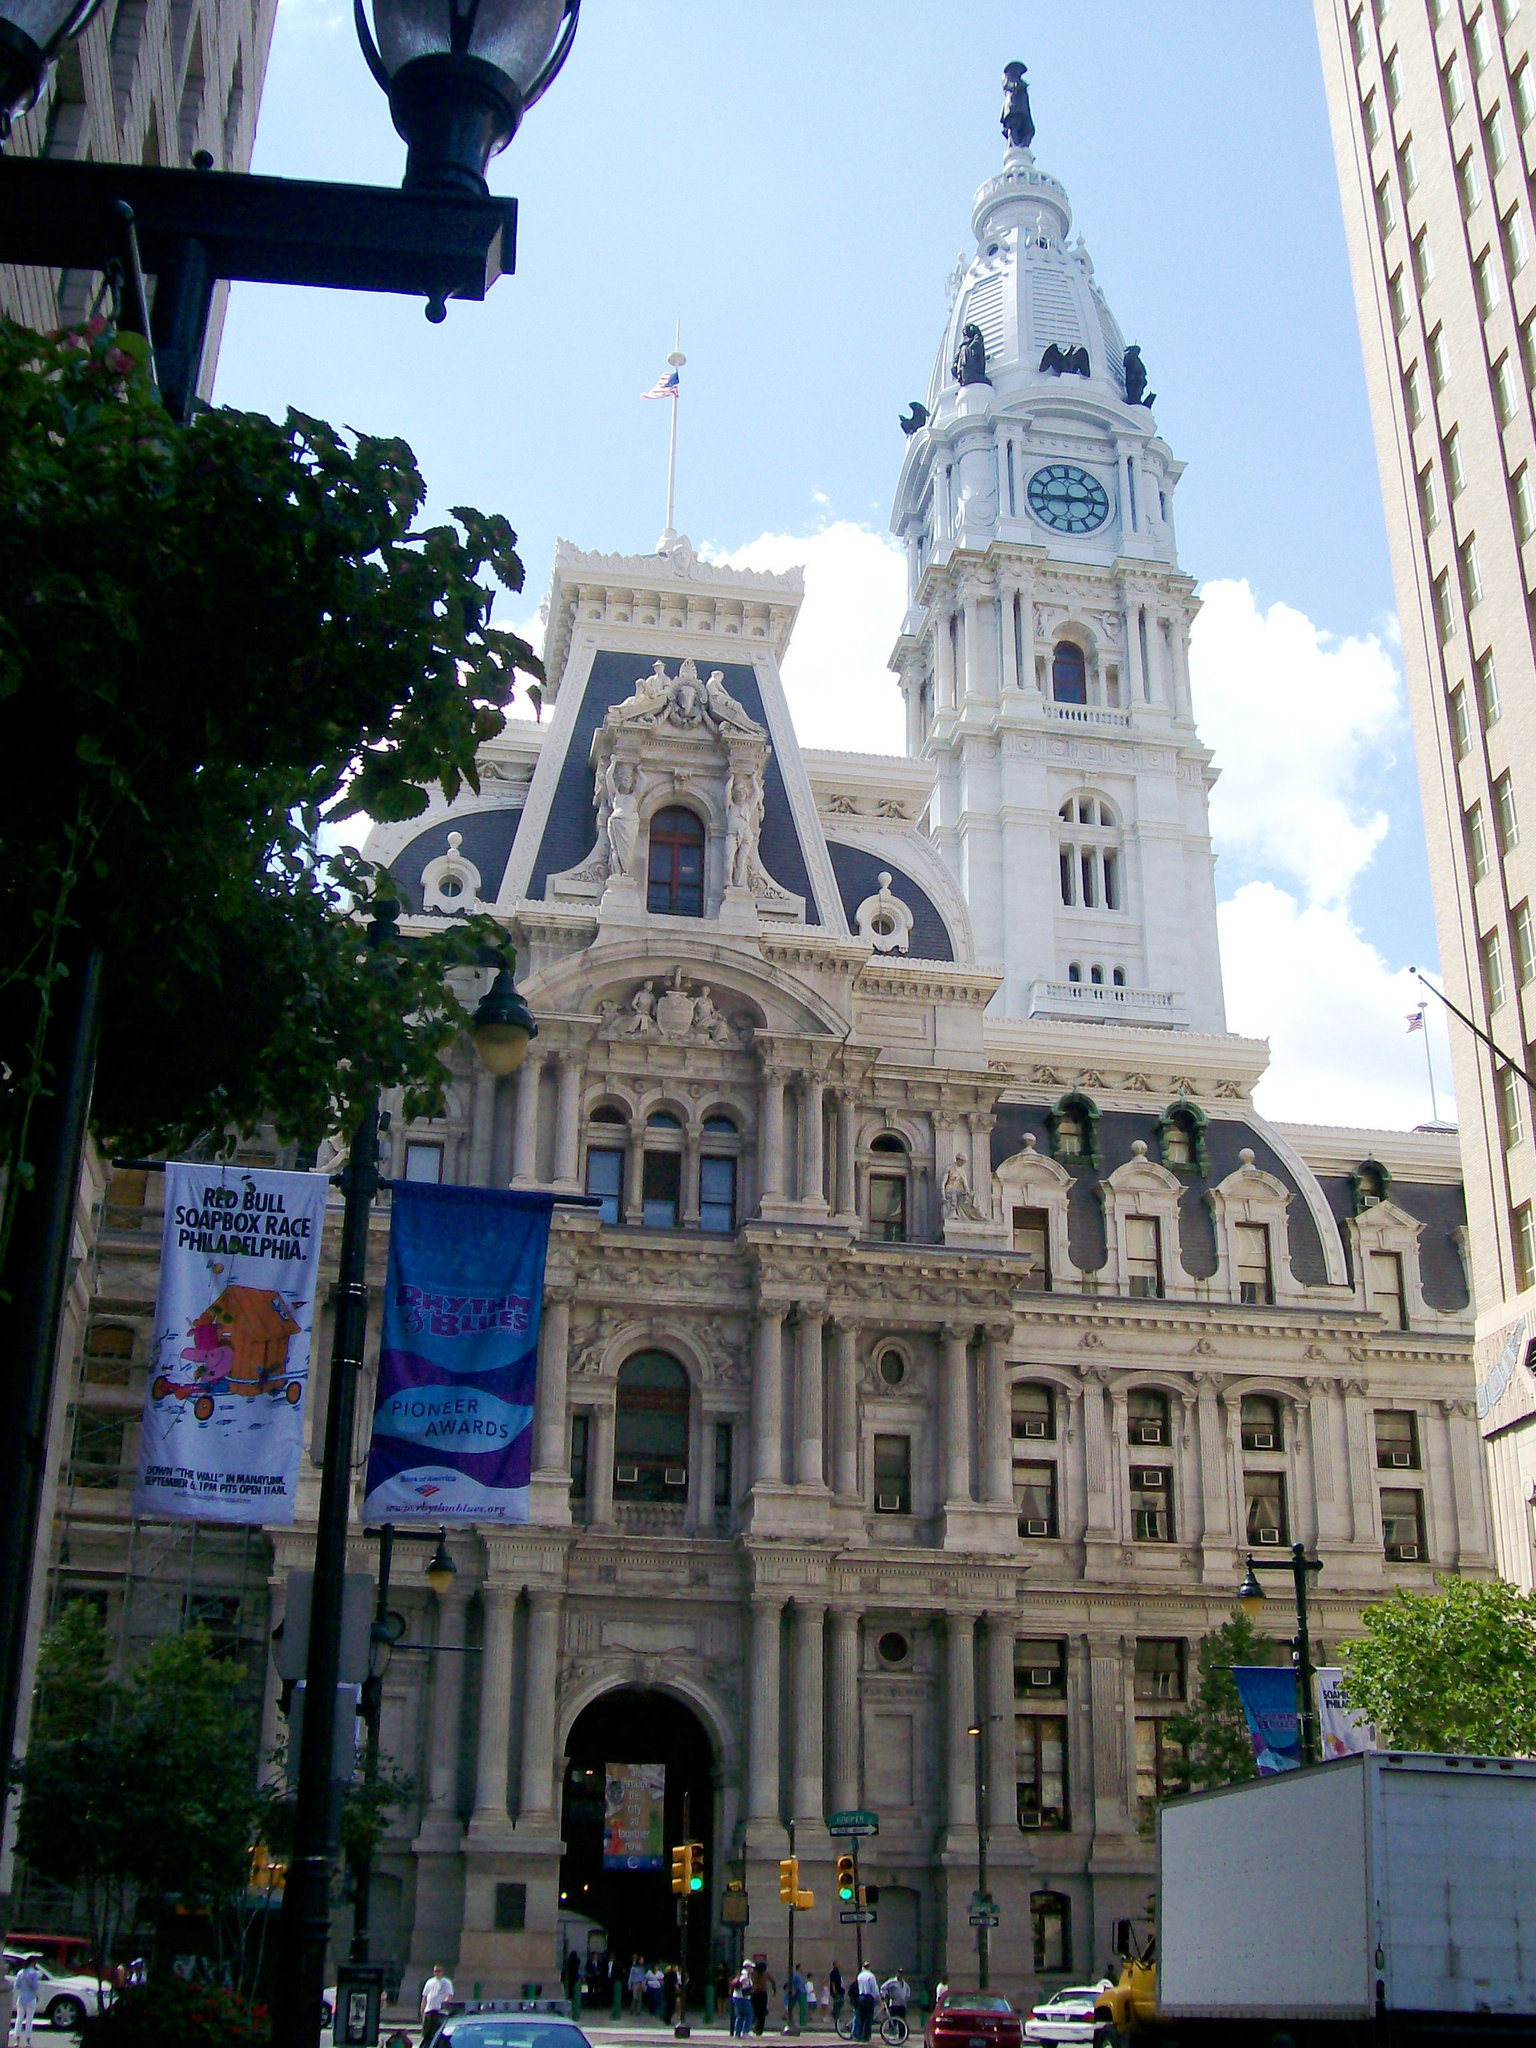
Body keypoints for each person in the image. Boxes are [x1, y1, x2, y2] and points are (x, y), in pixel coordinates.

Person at [420, 1965, 454, 2048]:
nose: (437, 1973)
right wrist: (422, 2011)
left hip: (440, 2011)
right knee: (427, 2034)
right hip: (429, 2010)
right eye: (435, 1971)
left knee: (438, 2033)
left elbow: (449, 1995)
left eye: (439, 1971)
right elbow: (425, 1997)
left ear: (442, 1972)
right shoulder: (429, 1982)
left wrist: (445, 2003)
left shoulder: (446, 1982)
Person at [11, 1957, 40, 2048]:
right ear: (32, 1962)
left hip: (21, 1997)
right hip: (31, 1998)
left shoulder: (20, 1972)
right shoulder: (34, 1973)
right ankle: (27, 2041)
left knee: (19, 2019)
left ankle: (17, 2041)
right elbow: (35, 1986)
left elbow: (16, 1986)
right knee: (29, 2020)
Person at [853, 1963, 879, 2043]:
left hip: (861, 1997)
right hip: (868, 1998)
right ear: (869, 1967)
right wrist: (879, 1999)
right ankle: (865, 2036)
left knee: (860, 2017)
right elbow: (874, 1989)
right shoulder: (871, 1976)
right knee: (868, 2018)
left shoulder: (860, 1976)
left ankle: (858, 2035)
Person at [751, 1961, 775, 2037]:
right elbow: (773, 1982)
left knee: (756, 2011)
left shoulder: (754, 1974)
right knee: (761, 2012)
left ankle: (756, 2026)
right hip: (762, 1994)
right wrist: (774, 1991)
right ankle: (759, 2029)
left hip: (755, 1993)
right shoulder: (765, 1974)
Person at [731, 1962, 755, 2037]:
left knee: (740, 2015)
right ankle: (745, 2032)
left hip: (737, 1997)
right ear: (747, 1967)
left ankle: (737, 2033)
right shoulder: (745, 1974)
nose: (752, 1969)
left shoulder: (741, 1973)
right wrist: (747, 1987)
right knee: (749, 2014)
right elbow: (743, 1983)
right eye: (751, 1967)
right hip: (743, 1998)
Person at [828, 1965, 845, 2030]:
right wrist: (834, 1990)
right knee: (838, 2003)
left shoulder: (838, 1972)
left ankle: (836, 2015)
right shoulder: (833, 1973)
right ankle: (836, 2016)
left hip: (840, 1991)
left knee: (840, 2002)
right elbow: (833, 1982)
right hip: (837, 1991)